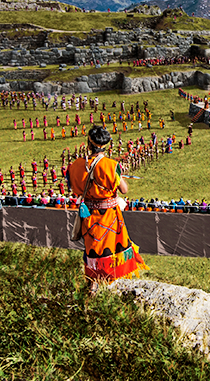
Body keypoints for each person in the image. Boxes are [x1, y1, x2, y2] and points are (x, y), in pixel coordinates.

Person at [67, 126, 148, 294]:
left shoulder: (76, 165)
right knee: (111, 247)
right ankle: (112, 278)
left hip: (88, 214)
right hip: (109, 215)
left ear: (89, 143)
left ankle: (93, 283)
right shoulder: (111, 165)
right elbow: (124, 189)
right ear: (106, 144)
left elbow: (73, 186)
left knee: (91, 249)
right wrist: (117, 176)